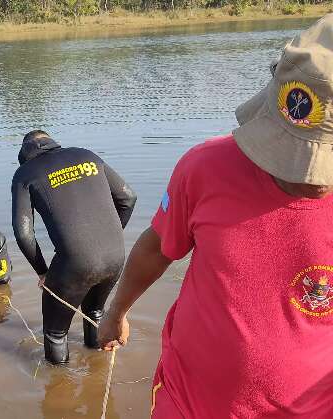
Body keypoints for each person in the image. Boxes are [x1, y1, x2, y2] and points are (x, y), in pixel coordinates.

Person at [98, 15, 333, 418]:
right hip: (188, 399)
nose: (301, 180)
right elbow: (157, 247)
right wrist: (116, 311)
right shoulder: (205, 167)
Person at [11, 130, 137, 364]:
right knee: (95, 313)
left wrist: (43, 272)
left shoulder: (25, 174)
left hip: (74, 263)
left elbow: (23, 232)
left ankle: (59, 391)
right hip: (115, 255)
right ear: (51, 142)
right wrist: (110, 236)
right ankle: (95, 360)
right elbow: (128, 197)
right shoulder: (87, 156)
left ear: (25, 153)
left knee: (56, 333)